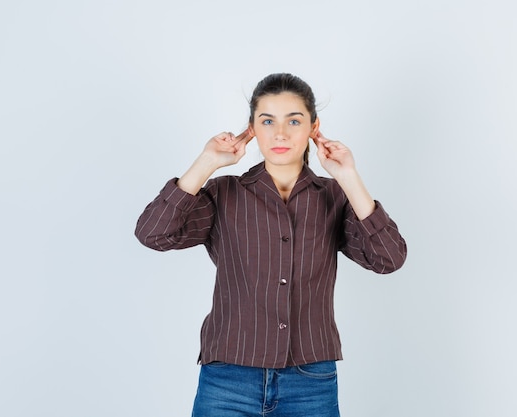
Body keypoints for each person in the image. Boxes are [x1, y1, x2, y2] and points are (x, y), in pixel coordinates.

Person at [134, 73, 407, 417]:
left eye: (294, 120)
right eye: (267, 121)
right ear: (252, 128)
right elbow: (154, 234)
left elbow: (389, 258)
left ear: (314, 127)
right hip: (227, 377)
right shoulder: (223, 194)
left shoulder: (335, 197)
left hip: (310, 381)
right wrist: (206, 163)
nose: (280, 133)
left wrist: (349, 177)